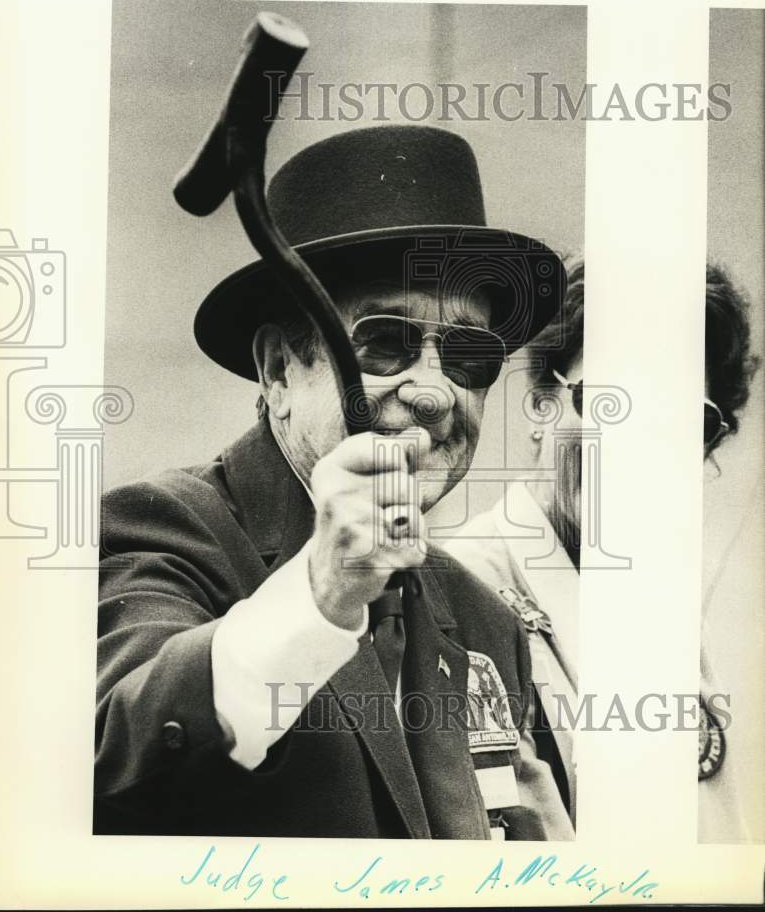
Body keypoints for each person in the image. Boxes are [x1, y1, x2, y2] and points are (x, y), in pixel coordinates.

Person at [94, 124, 573, 839]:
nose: (435, 393)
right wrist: (324, 590)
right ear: (279, 370)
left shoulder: (482, 619)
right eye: (385, 342)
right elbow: (114, 755)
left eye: (470, 356)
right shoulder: (158, 527)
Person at [447, 258, 760, 841]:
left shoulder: (663, 605)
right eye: (607, 402)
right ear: (541, 402)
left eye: (682, 423)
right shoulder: (462, 591)